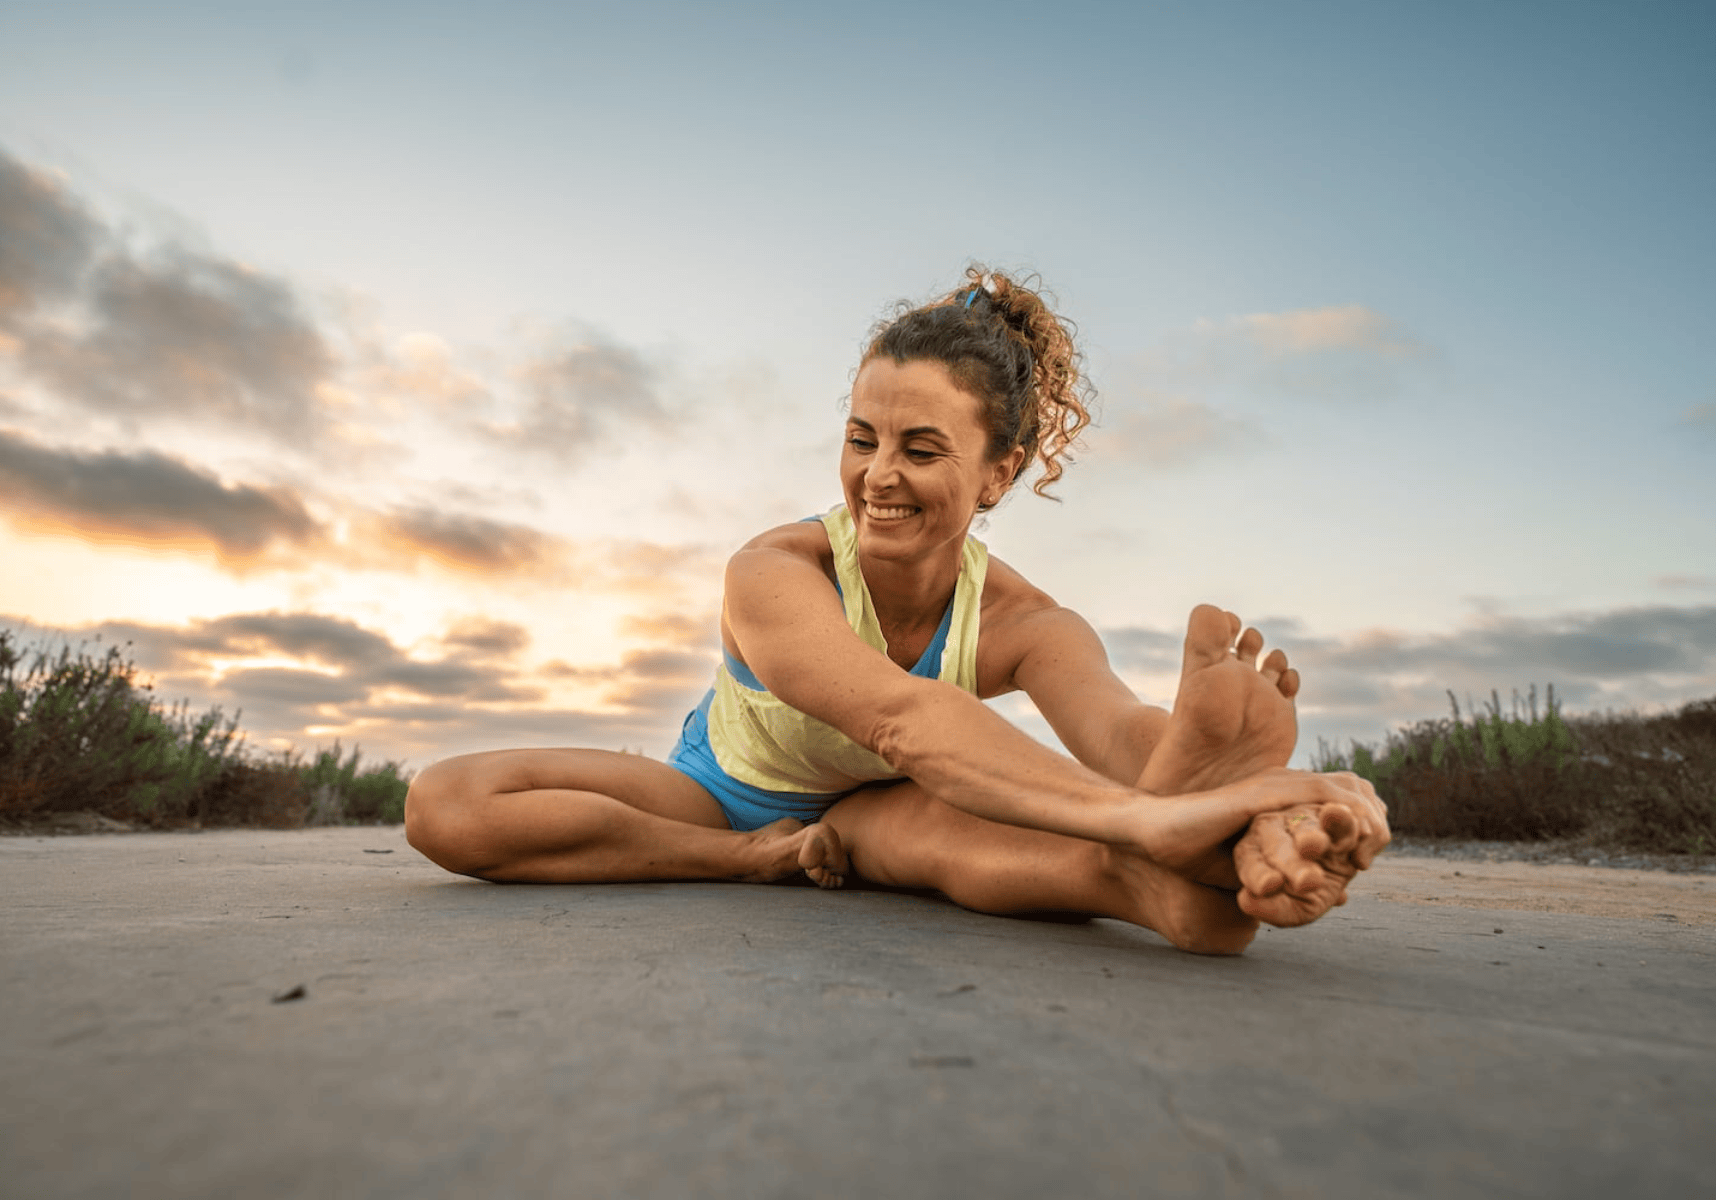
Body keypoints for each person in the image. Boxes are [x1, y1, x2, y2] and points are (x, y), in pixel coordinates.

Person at [405, 267, 1389, 955]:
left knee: (959, 830)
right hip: (720, 793)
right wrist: (1158, 813)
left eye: (922, 451)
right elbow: (902, 718)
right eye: (861, 438)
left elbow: (1118, 730)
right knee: (447, 806)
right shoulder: (775, 569)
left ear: (1001, 473)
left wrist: (1247, 803)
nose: (879, 475)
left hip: (877, 811)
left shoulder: (1028, 623)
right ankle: (757, 861)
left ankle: (1164, 881)